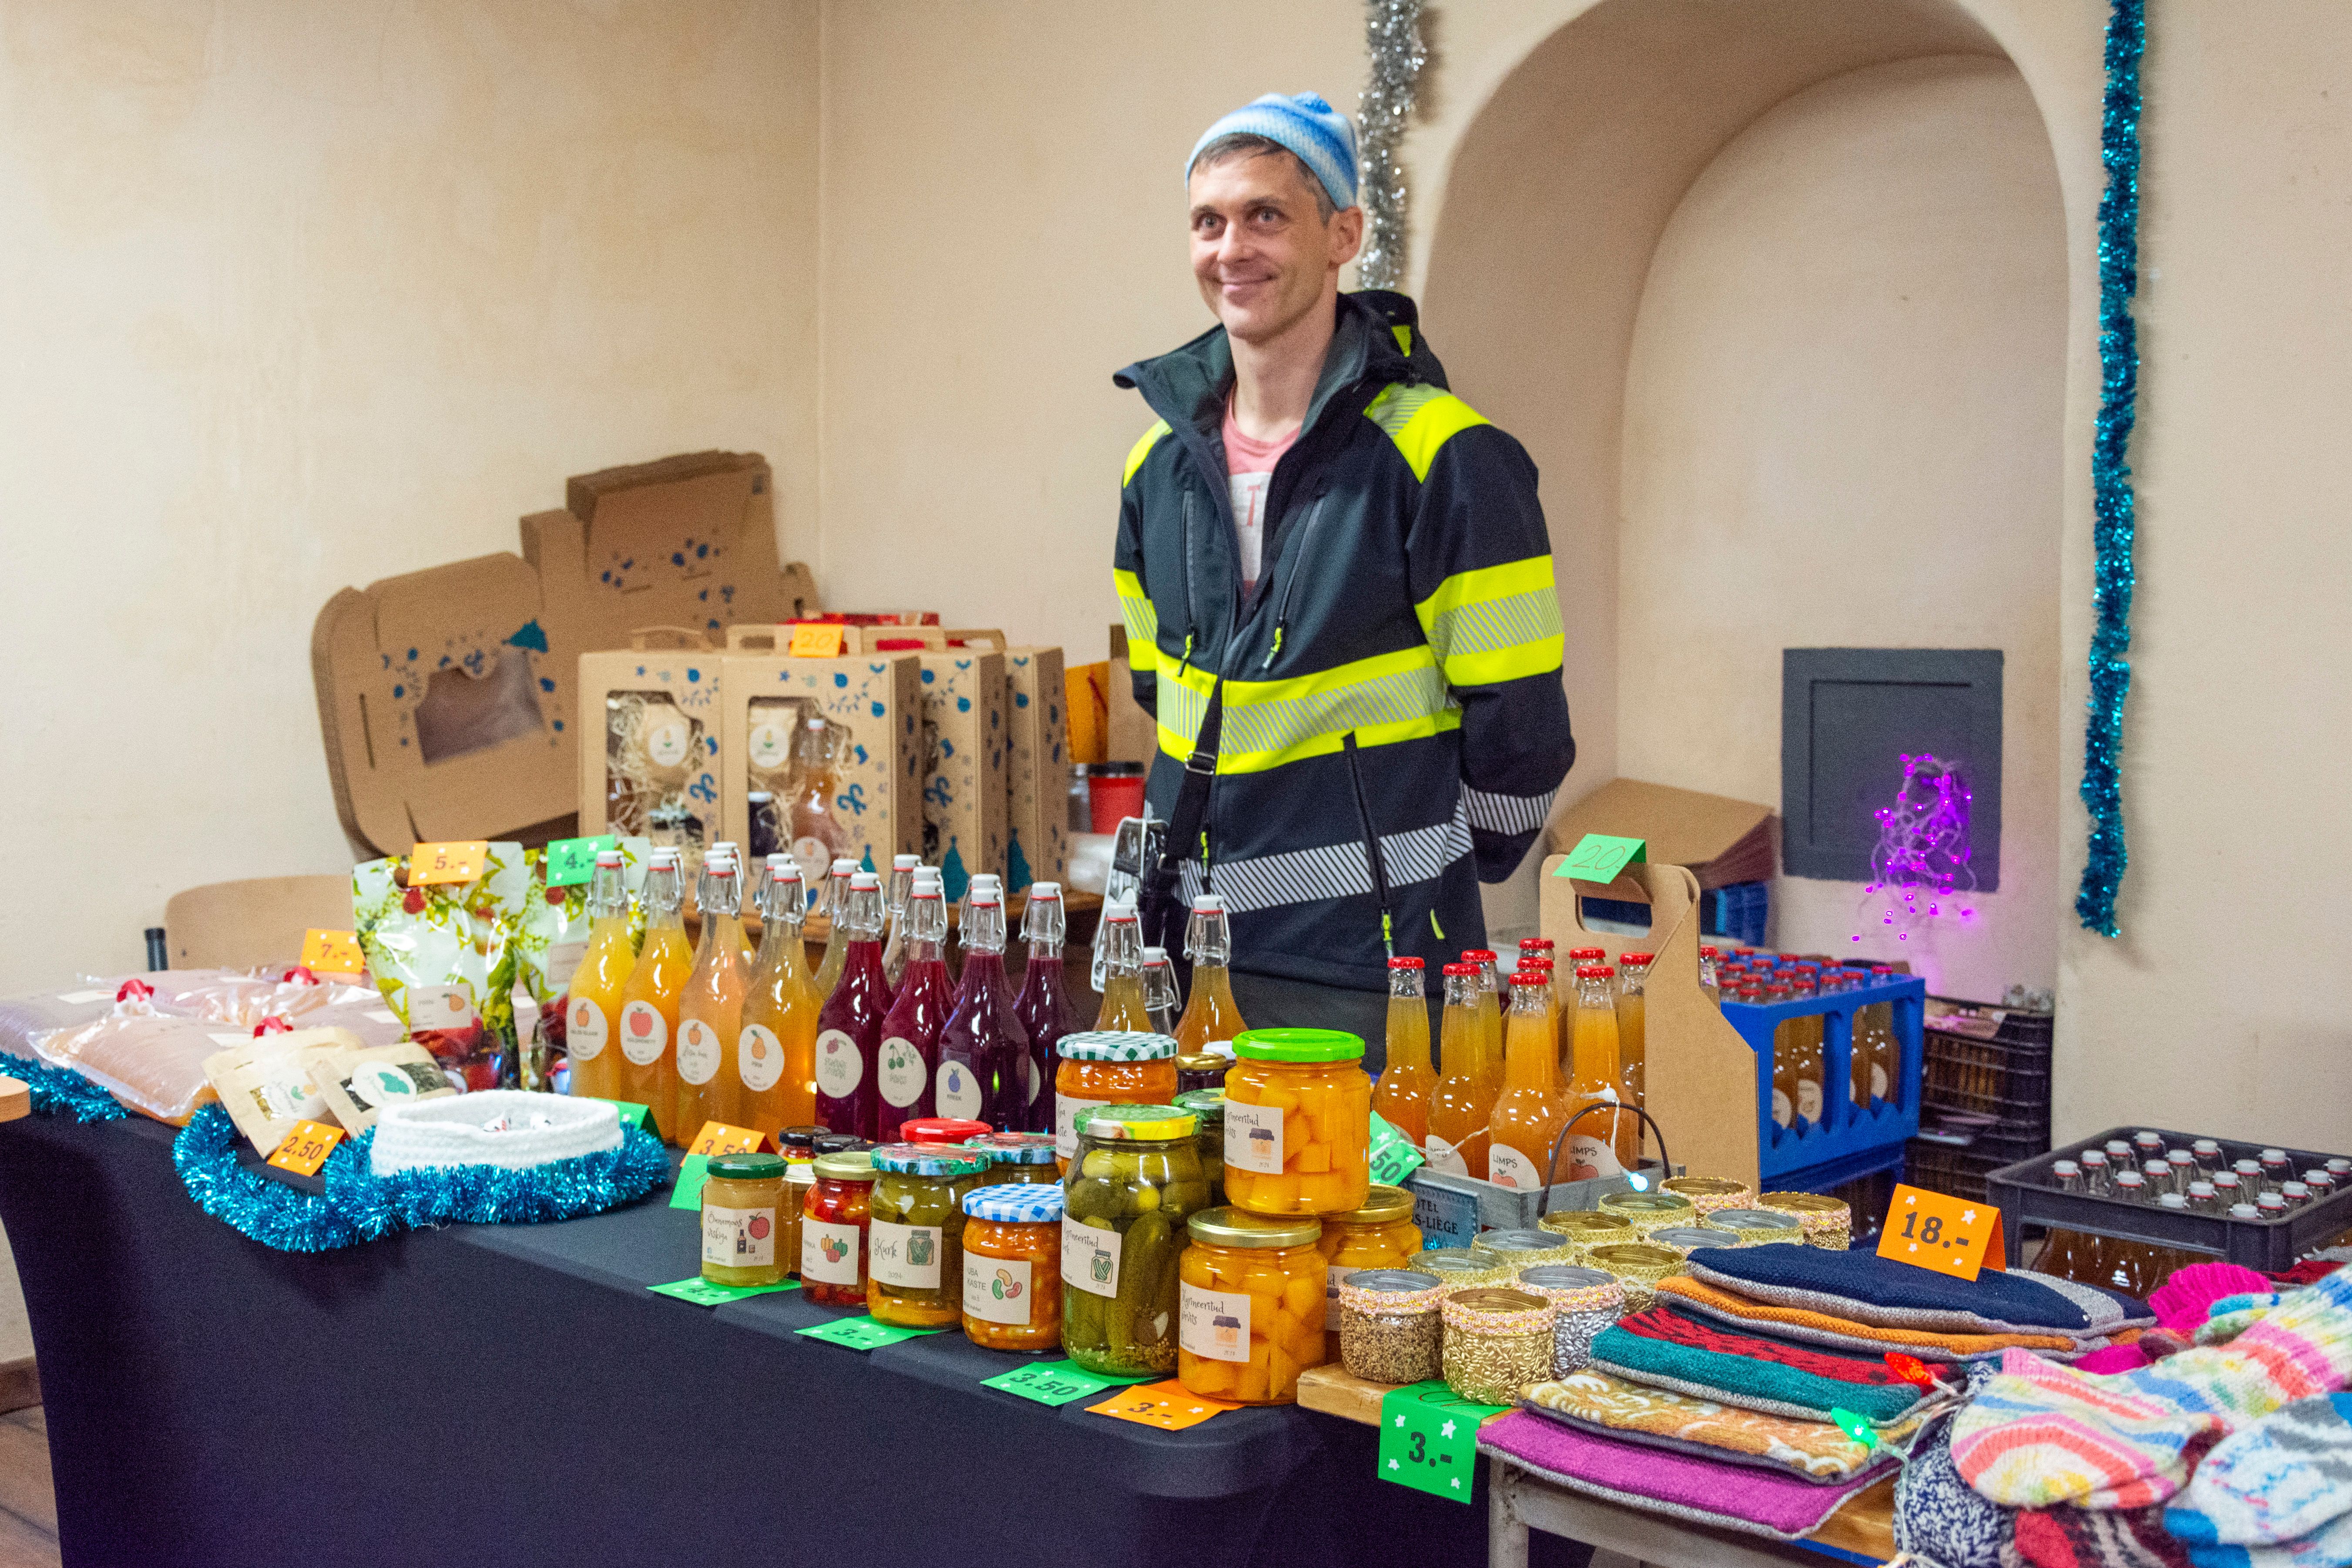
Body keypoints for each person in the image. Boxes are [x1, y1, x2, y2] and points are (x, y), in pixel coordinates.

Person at [1113, 92, 1575, 1068]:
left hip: (1380, 968)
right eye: (1208, 221)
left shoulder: (1446, 455)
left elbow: (1521, 729)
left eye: (1265, 215)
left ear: (1343, 236)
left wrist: (1418, 867)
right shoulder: (1155, 466)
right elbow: (1164, 694)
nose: (1231, 248)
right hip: (1189, 954)